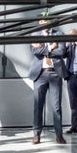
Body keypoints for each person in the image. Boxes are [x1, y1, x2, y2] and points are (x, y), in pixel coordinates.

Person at [29, 16, 67, 144]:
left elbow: (61, 51)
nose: (44, 24)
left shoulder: (59, 34)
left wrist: (45, 50)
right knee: (38, 105)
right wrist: (51, 48)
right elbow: (35, 51)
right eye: (42, 22)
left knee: (56, 107)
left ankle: (59, 135)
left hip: (55, 73)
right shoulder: (35, 35)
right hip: (40, 75)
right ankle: (36, 134)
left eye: (46, 22)